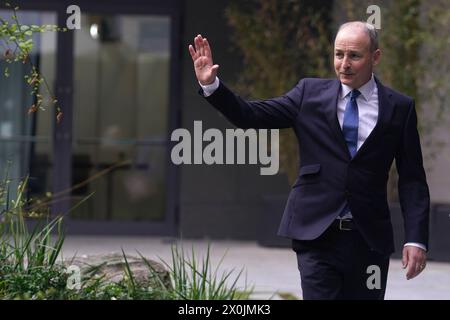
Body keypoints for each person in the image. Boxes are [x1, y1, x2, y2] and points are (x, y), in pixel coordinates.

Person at [188, 21, 430, 300]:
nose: (344, 64)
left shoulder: (399, 108)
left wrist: (416, 238)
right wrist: (211, 85)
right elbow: (251, 115)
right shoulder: (308, 94)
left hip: (369, 240)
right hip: (316, 235)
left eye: (354, 56)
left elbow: (412, 179)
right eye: (339, 54)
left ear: (375, 57)